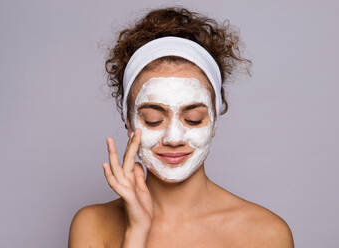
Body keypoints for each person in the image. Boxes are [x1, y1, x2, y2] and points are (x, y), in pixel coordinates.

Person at [68, 7, 294, 248]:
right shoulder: (93, 225)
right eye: (153, 119)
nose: (174, 138)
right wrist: (137, 231)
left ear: (214, 120)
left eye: (193, 118)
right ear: (129, 122)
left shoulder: (266, 233)